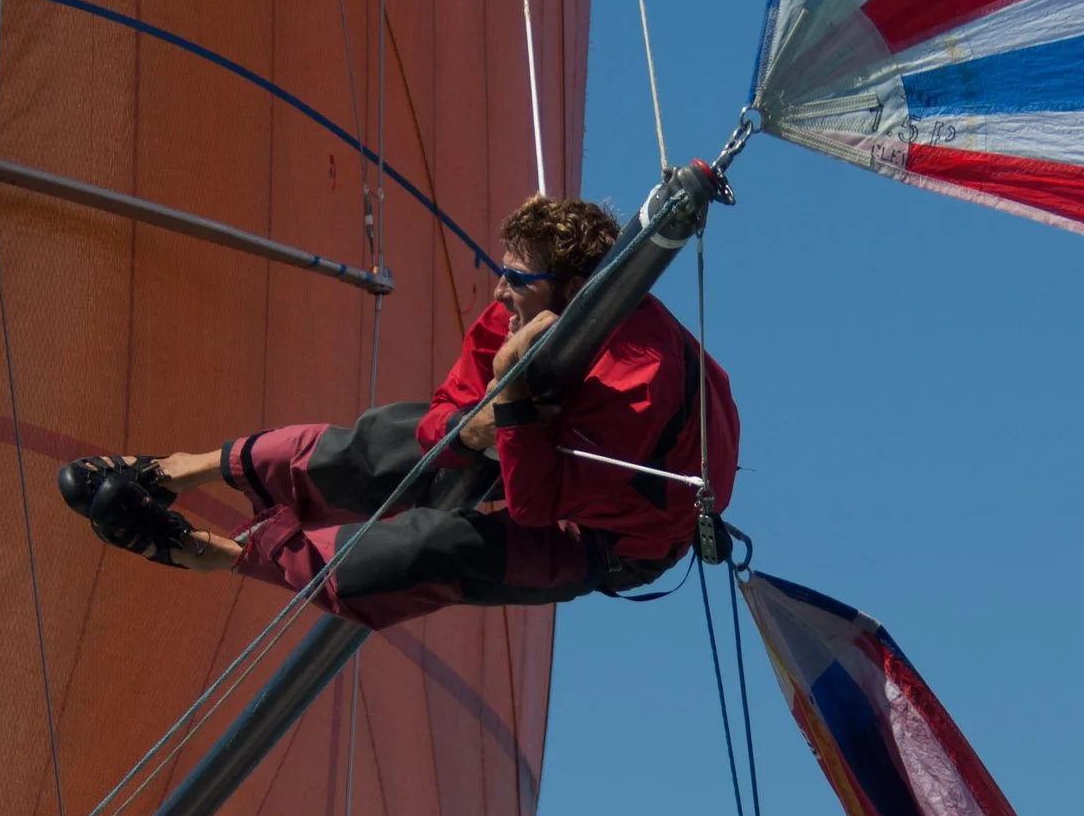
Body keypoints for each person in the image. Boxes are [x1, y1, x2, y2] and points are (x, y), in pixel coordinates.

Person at [59, 195, 737, 630]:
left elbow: (535, 504)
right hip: (549, 441)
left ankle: (224, 555)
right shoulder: (517, 312)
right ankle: (189, 468)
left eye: (517, 279)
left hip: (608, 536)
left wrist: (511, 396)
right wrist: (477, 424)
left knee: (430, 551)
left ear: (571, 288)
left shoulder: (636, 384)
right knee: (383, 439)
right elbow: (437, 420)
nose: (499, 290)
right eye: (501, 270)